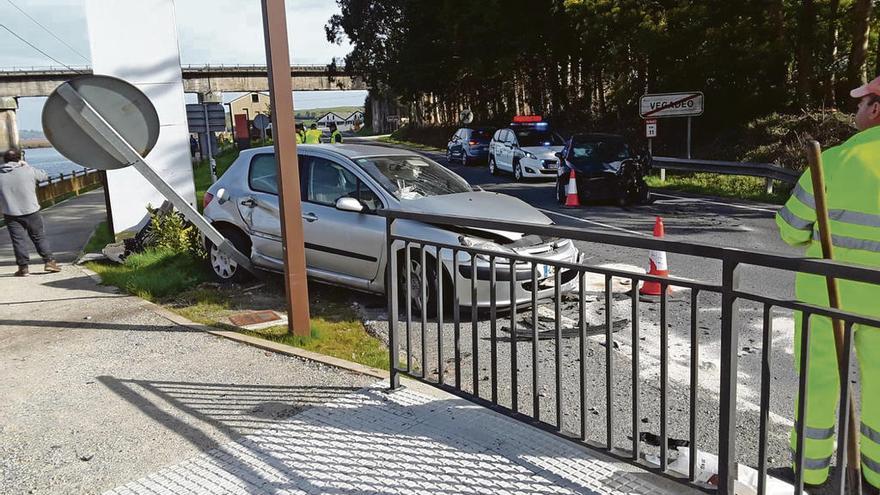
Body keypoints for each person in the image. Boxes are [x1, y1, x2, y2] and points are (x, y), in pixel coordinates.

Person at [776, 75, 880, 491]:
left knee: (818, 382)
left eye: (859, 104)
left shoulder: (834, 161)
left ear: (875, 109)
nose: (855, 111)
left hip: (827, 299)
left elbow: (789, 229)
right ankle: (874, 475)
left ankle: (812, 472)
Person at [0, 148, 61, 276]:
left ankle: (23, 268)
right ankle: (49, 262)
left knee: (18, 240)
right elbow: (44, 176)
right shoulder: (28, 170)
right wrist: (27, 165)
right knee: (39, 237)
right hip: (31, 211)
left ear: (4, 160)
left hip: (11, 213)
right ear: (19, 159)